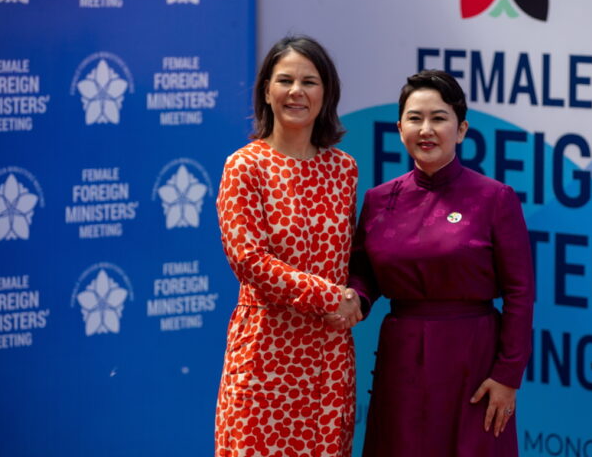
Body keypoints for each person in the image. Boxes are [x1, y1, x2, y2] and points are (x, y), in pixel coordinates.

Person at [348, 70, 534, 456]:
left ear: (461, 129)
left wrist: (507, 375)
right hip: (401, 356)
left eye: (439, 118)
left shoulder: (495, 198)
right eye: (415, 119)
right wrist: (357, 299)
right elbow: (364, 271)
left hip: (474, 360)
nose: (426, 129)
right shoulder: (379, 199)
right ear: (400, 129)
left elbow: (520, 292)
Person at [215, 35, 362, 457]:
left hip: (328, 357)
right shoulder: (244, 166)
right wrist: (332, 296)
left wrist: (354, 298)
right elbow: (249, 261)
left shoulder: (343, 169)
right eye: (285, 80)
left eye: (310, 81)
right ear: (266, 90)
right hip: (265, 354)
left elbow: (347, 256)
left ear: (326, 92)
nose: (297, 91)